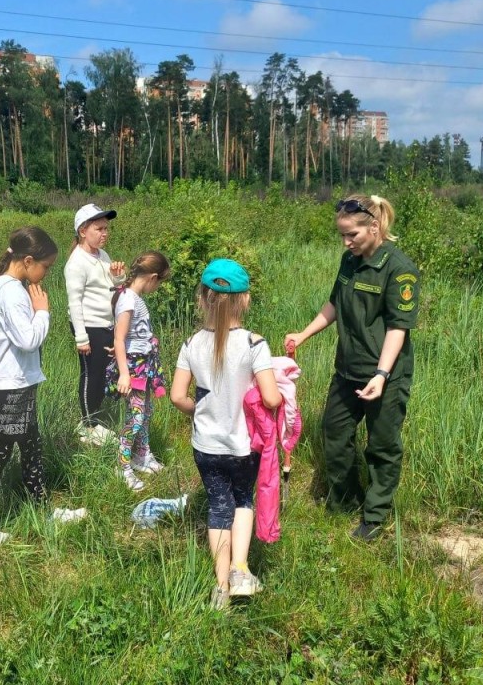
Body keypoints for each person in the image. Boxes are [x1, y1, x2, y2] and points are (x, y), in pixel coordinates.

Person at [284, 195, 419, 542]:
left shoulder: (399, 269)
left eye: (352, 235)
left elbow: (397, 328)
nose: (346, 243)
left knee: (382, 446)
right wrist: (304, 334)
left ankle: (374, 515)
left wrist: (382, 374)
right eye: (342, 236)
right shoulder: (350, 260)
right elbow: (334, 303)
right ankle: (344, 500)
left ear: (374, 227)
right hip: (346, 370)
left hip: (384, 377)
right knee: (334, 434)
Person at [0, 227, 86, 548]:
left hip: (15, 383)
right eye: (45, 267)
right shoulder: (13, 292)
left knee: (32, 449)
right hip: (10, 388)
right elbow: (28, 340)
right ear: (28, 260)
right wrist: (43, 312)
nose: (45, 274)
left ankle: (44, 511)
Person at [170, 259, 282, 610]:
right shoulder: (254, 344)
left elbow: (176, 396)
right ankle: (240, 570)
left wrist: (200, 412)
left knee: (219, 507)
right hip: (243, 445)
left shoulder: (190, 344)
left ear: (202, 298)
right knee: (242, 500)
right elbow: (270, 397)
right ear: (244, 300)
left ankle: (219, 587)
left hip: (206, 445)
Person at [107, 251, 171, 491]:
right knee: (134, 418)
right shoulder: (128, 300)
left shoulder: (134, 298)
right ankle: (121, 466)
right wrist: (124, 373)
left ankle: (141, 456)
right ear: (153, 277)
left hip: (144, 366)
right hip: (133, 368)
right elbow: (119, 339)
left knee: (145, 413)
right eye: (160, 282)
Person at [64, 204, 125, 446]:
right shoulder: (76, 263)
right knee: (91, 373)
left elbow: (113, 286)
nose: (104, 233)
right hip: (89, 326)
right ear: (82, 231)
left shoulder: (103, 256)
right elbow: (74, 302)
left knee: (102, 373)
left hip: (105, 324)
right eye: (98, 229)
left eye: (106, 229)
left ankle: (94, 420)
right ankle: (88, 425)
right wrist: (81, 337)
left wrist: (118, 276)